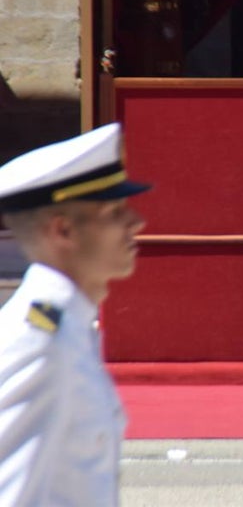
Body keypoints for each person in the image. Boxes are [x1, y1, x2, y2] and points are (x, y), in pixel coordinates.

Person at [0, 123, 150, 505]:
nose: (136, 223)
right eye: (115, 211)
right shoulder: (39, 342)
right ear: (63, 230)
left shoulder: (69, 327)